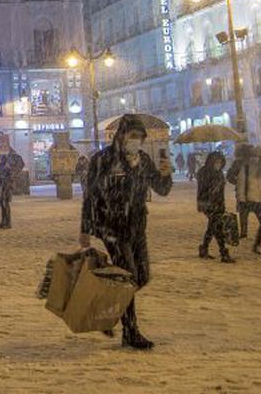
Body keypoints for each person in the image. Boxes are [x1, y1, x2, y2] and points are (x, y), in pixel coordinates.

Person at [80, 114, 173, 350]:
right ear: (121, 135)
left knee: (142, 276)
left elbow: (162, 189)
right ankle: (130, 332)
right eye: (133, 136)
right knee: (128, 275)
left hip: (137, 225)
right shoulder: (103, 160)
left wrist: (165, 172)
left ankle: (109, 307)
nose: (137, 141)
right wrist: (86, 229)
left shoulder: (142, 160)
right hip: (111, 226)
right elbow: (90, 195)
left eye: (140, 137)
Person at [196, 152, 234, 263]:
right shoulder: (204, 172)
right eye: (217, 162)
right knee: (217, 228)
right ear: (211, 162)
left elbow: (220, 192)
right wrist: (213, 189)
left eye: (220, 162)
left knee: (212, 227)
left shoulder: (219, 173)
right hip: (208, 204)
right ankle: (223, 252)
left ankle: (204, 248)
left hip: (219, 204)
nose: (219, 164)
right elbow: (203, 190)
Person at [226, 143, 252, 239]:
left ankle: (244, 231)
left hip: (243, 191)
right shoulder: (254, 161)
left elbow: (229, 176)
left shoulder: (238, 162)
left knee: (243, 212)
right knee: (259, 211)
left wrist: (237, 182)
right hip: (255, 190)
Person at [0, 154, 15, 229]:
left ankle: (8, 223)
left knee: (6, 206)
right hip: (0, 188)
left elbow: (10, 178)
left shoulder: (7, 167)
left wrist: (4, 179)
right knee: (2, 206)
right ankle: (3, 222)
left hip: (6, 188)